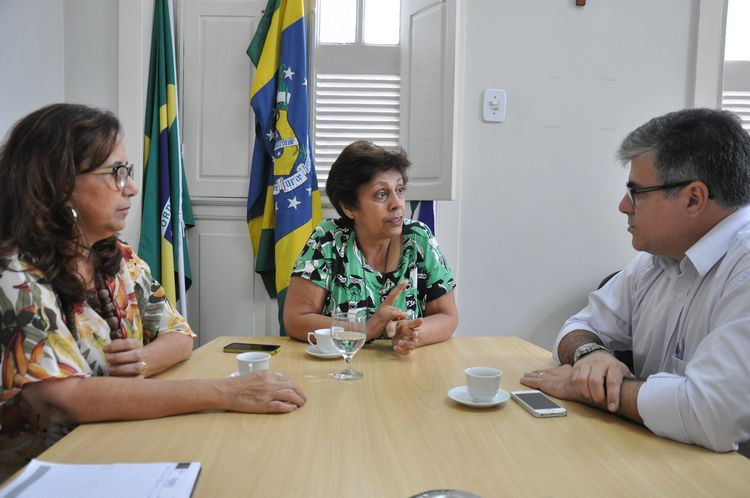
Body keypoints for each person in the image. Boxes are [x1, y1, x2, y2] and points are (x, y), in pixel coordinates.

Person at [0, 104, 306, 476]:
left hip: (118, 448)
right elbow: (62, 399)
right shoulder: (15, 273)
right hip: (46, 473)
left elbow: (180, 335)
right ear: (59, 184)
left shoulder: (117, 257)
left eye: (127, 171)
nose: (131, 186)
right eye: (115, 173)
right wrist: (226, 392)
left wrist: (142, 360)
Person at [521, 108, 750, 453]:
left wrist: (591, 388)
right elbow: (579, 325)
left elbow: (710, 413)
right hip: (659, 456)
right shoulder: (656, 260)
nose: (623, 206)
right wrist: (591, 355)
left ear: (693, 198)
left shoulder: (743, 265)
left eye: (636, 192)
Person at [284, 140, 458, 355]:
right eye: (381, 194)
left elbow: (447, 316)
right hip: (341, 366)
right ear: (349, 207)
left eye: (400, 190)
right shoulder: (329, 238)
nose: (397, 204)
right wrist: (363, 330)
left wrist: (413, 334)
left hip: (402, 365)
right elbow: (296, 319)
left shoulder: (418, 238)